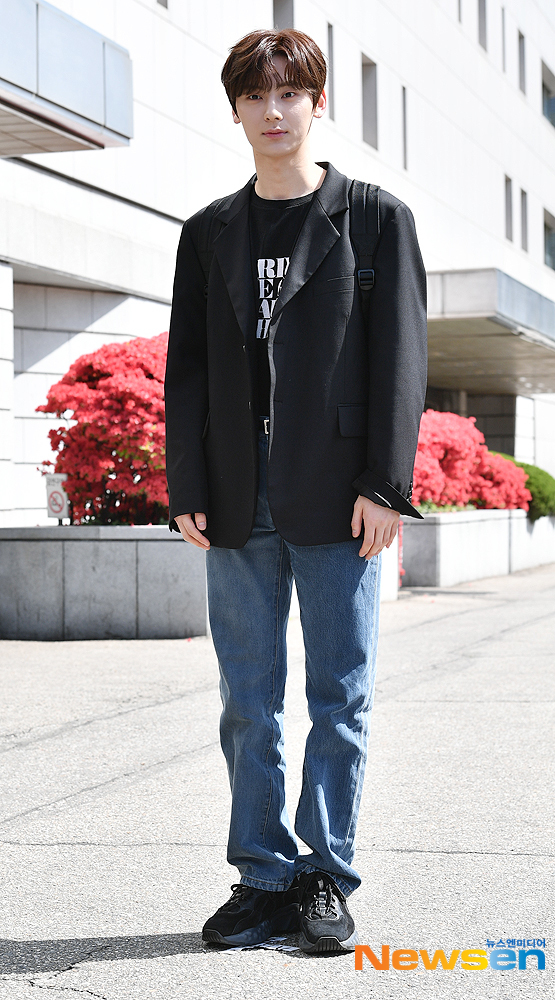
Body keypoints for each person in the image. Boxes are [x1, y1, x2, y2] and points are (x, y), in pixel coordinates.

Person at [164, 27, 427, 954]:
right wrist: (186, 482)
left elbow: (400, 356)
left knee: (339, 695)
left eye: (289, 95)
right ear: (235, 109)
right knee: (247, 698)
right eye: (255, 97)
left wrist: (386, 486)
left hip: (338, 494)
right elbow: (187, 370)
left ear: (317, 105)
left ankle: (323, 874)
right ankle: (262, 875)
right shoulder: (208, 233)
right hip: (238, 496)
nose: (273, 113)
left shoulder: (374, 218)